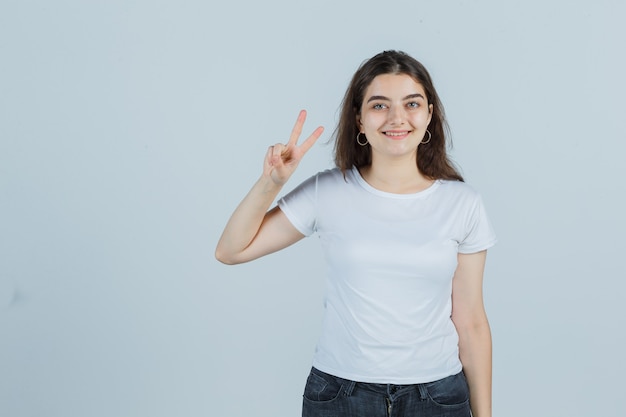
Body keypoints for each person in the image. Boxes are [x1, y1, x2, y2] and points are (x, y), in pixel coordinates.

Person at [215, 50, 496, 417]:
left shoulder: (463, 203)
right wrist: (271, 183)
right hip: (340, 394)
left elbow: (471, 320)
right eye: (379, 106)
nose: (397, 118)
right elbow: (231, 250)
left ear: (429, 114)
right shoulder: (327, 191)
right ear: (359, 120)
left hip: (437, 395)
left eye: (411, 103)